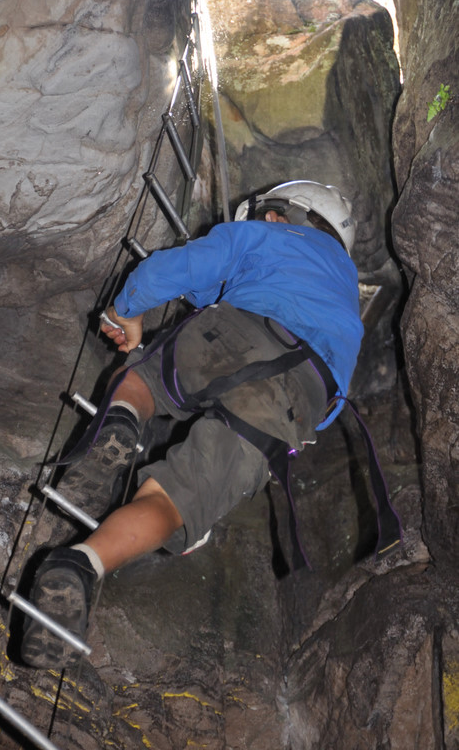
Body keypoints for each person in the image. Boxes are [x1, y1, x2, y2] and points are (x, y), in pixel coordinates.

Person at [19, 180, 363, 670]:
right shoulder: (349, 306)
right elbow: (327, 413)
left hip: (238, 328)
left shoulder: (273, 238)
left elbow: (192, 267)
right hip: (298, 396)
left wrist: (126, 310)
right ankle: (82, 564)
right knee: (171, 502)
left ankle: (122, 421)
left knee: (142, 377)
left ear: (275, 216)